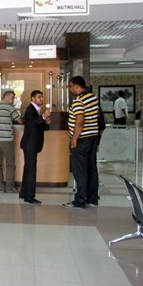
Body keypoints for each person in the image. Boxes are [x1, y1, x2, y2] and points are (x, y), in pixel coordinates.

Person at [63, 76, 100, 209]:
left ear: (77, 86)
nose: (70, 89)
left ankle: (80, 199)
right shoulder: (93, 98)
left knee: (80, 170)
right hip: (93, 137)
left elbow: (79, 121)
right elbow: (97, 116)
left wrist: (74, 138)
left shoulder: (79, 101)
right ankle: (92, 198)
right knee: (91, 168)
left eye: (71, 87)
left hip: (82, 139)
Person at [0, 90, 23, 193]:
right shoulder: (10, 108)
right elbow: (20, 121)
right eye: (12, 98)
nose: (13, 100)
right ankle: (9, 187)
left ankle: (0, 187)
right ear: (6, 97)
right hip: (6, 139)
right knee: (10, 163)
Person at [19, 90, 51, 204]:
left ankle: (24, 193)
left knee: (28, 169)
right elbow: (30, 123)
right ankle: (29, 196)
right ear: (33, 98)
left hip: (31, 144)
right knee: (31, 170)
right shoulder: (30, 109)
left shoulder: (37, 110)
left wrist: (46, 121)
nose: (42, 99)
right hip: (30, 144)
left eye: (42, 97)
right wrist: (43, 116)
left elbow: (40, 127)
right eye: (39, 97)